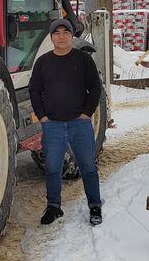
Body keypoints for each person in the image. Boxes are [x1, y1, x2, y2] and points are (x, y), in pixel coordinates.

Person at [29, 18, 103, 226]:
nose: (61, 37)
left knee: (87, 166)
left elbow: (95, 87)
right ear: (51, 37)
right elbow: (34, 90)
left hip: (79, 124)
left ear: (72, 35)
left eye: (65, 32)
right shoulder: (43, 62)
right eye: (57, 33)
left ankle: (94, 205)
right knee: (52, 168)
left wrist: (87, 113)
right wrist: (42, 117)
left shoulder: (83, 60)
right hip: (52, 124)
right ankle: (54, 206)